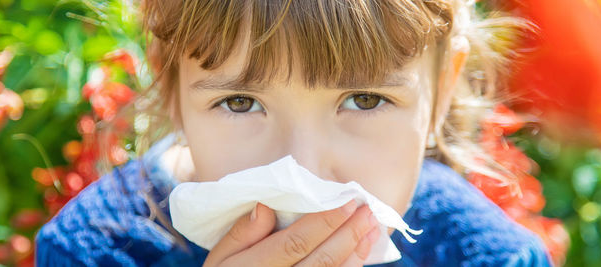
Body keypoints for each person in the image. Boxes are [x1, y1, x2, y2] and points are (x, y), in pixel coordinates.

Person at [35, 0, 552, 266]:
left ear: (441, 90)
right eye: (240, 102)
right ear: (171, 88)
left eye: (365, 100)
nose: (299, 171)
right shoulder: (94, 251)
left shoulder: (489, 258)